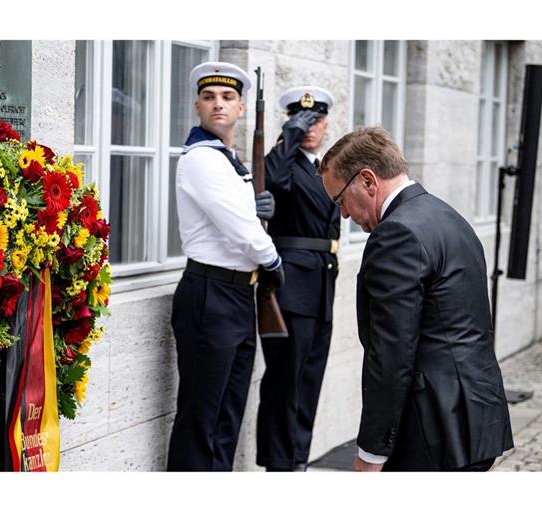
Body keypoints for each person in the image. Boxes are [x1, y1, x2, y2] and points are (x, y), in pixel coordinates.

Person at [318, 126, 513, 471]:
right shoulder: (449, 217)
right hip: (477, 416)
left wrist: (372, 452)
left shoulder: (397, 234)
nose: (344, 214)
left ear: (368, 181)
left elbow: (391, 353)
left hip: (433, 430)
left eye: (340, 200)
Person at [167, 61, 285, 471]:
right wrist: (271, 257)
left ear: (240, 108)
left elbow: (241, 219)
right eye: (209, 97)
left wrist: (256, 208)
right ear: (197, 107)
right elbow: (240, 230)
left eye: (228, 97)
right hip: (210, 294)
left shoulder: (227, 160)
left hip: (238, 294)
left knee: (226, 417)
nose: (218, 104)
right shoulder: (201, 158)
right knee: (201, 419)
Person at [256, 86, 340, 472]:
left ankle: (298, 459)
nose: (310, 127)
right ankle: (279, 463)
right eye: (301, 120)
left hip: (322, 286)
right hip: (290, 289)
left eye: (316, 120)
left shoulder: (327, 169)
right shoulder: (284, 163)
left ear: (326, 124)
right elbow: (269, 178)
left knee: (309, 379)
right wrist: (288, 135)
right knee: (284, 381)